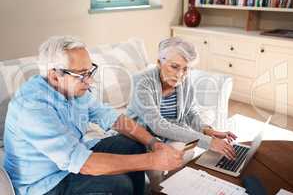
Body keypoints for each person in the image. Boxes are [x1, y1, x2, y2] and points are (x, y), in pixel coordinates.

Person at [3, 36, 183, 195]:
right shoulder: (33, 108)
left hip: (69, 163)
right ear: (55, 76)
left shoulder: (75, 90)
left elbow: (113, 118)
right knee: (119, 184)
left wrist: (154, 143)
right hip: (43, 183)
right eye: (81, 75)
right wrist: (152, 160)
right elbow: (84, 164)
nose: (90, 81)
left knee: (132, 144)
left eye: (90, 71)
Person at [127, 37, 237, 160]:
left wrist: (206, 130)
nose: (180, 75)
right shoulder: (142, 82)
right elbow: (157, 125)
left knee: (187, 153)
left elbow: (190, 113)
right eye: (174, 67)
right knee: (165, 158)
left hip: (169, 135)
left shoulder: (184, 81)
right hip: (142, 137)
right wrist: (208, 142)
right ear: (159, 62)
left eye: (186, 69)